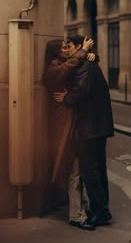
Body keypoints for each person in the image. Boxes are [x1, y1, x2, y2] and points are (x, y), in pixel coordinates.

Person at [53, 35, 114, 229]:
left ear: (78, 47)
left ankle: (101, 211)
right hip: (99, 127)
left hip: (88, 127)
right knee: (99, 169)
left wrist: (66, 98)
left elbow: (80, 91)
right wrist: (90, 55)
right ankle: (103, 208)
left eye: (70, 46)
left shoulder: (84, 66)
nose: (68, 50)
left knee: (90, 172)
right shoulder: (89, 63)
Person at [43, 37, 95, 231]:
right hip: (63, 130)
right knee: (73, 172)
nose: (67, 50)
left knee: (75, 171)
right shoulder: (52, 71)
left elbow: (74, 65)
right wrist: (84, 52)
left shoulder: (62, 65)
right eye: (64, 48)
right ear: (56, 52)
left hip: (70, 127)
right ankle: (76, 215)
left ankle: (79, 210)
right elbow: (70, 67)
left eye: (67, 46)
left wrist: (91, 55)